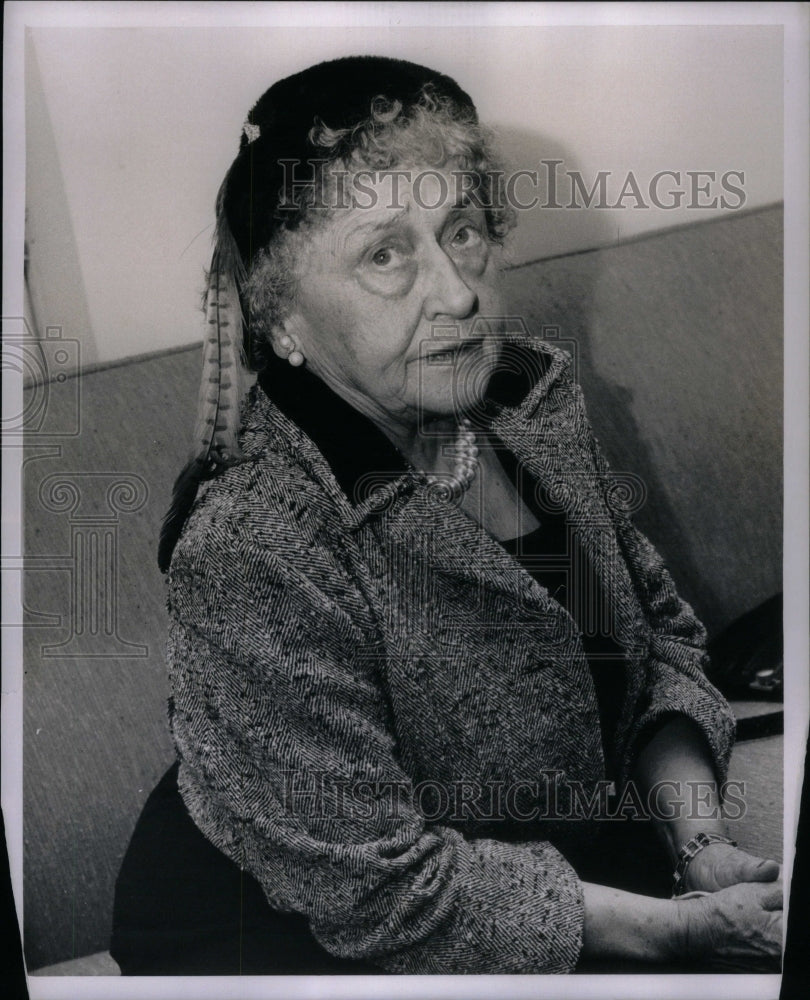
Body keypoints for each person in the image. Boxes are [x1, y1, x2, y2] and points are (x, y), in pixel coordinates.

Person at [111, 55, 782, 975]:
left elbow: (656, 646)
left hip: (547, 882)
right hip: (295, 939)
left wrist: (698, 846)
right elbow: (378, 892)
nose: (459, 292)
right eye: (386, 254)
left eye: (460, 231)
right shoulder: (253, 540)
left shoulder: (522, 401)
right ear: (282, 321)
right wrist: (677, 930)